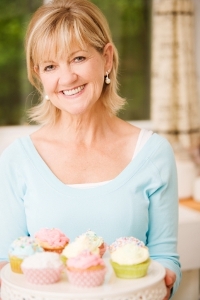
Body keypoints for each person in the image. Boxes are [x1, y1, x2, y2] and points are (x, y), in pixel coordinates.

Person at [0, 0, 181, 299]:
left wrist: (163, 282)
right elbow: (7, 263)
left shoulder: (153, 153)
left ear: (107, 58)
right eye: (50, 66)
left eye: (79, 58)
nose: (67, 77)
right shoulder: (17, 160)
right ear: (39, 75)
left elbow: (165, 258)